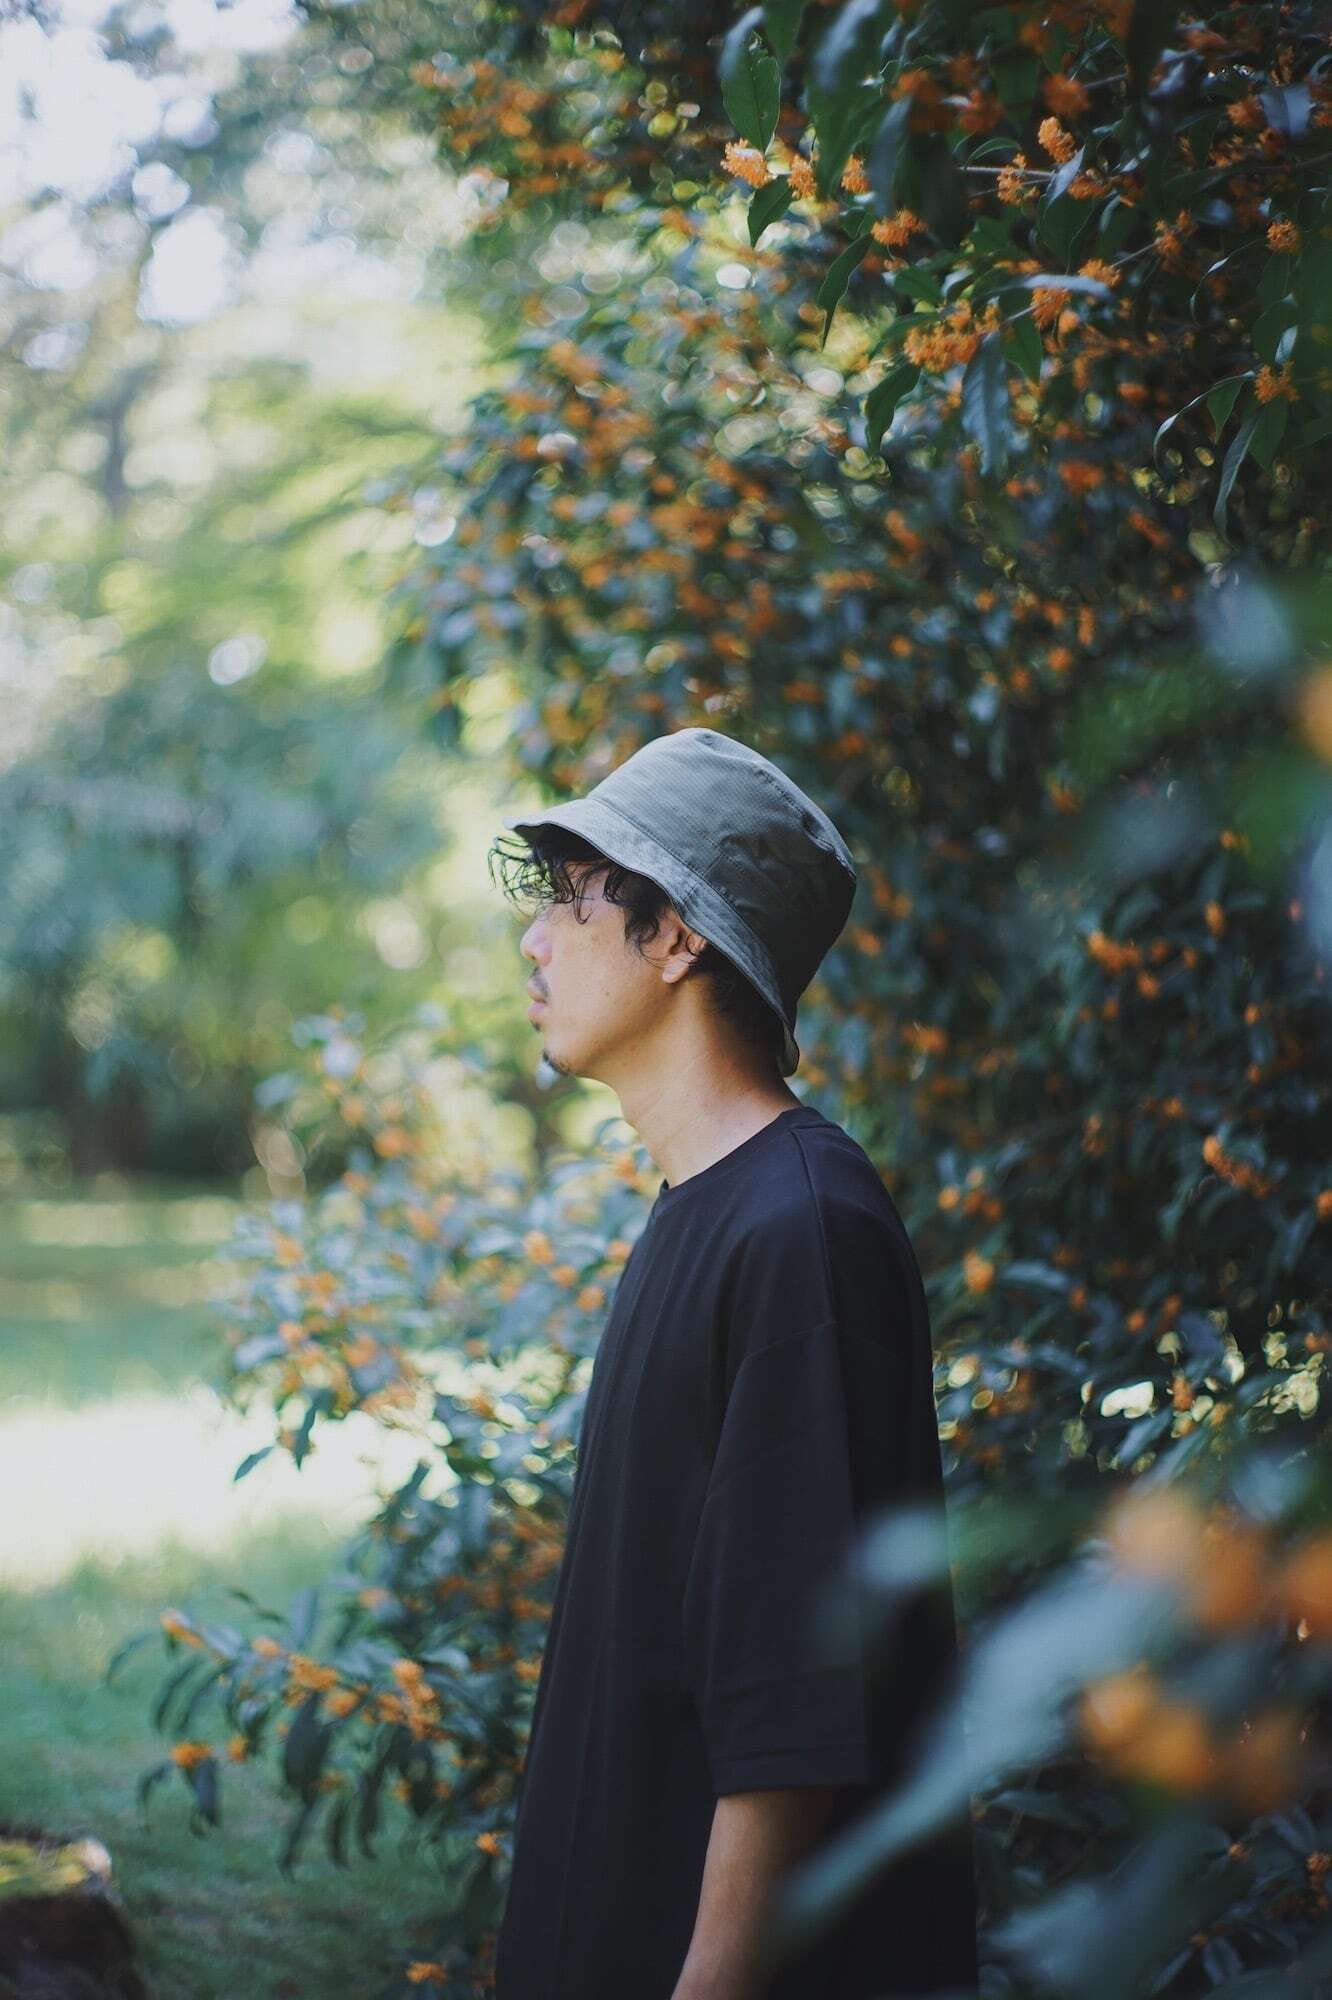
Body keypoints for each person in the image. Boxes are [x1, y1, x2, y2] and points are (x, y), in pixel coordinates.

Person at [487, 727, 979, 2000]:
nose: (535, 939)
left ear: (676, 938)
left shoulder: (800, 1230)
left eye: (573, 901)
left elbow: (793, 1712)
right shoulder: (706, 1208)